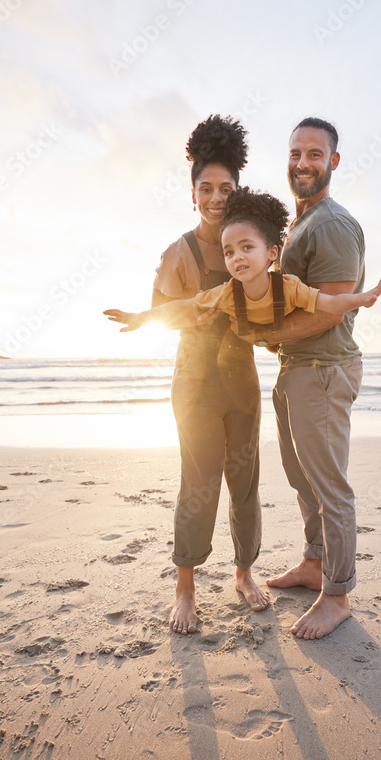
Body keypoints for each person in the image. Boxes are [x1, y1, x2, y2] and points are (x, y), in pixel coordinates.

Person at [103, 115, 269, 634]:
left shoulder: (250, 244)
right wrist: (151, 315)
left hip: (241, 378)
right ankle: (185, 586)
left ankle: (244, 573)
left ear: (237, 191)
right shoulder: (178, 253)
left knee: (245, 479)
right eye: (206, 188)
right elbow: (163, 315)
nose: (216, 197)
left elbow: (272, 307)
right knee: (198, 482)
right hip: (195, 381)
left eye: (226, 188)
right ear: (192, 192)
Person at [230, 118, 371, 640]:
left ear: (333, 162)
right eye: (295, 153)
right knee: (302, 480)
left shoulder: (331, 225)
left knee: (329, 486)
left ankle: (337, 594)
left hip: (322, 371)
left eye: (315, 154)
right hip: (297, 369)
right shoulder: (300, 225)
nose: (303, 163)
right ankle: (315, 565)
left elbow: (331, 311)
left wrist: (266, 336)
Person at [128, 186, 381, 334]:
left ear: (271, 253)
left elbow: (332, 302)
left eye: (246, 247)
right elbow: (180, 307)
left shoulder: (289, 287)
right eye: (229, 252)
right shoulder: (226, 294)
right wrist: (143, 317)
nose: (237, 257)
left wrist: (365, 297)